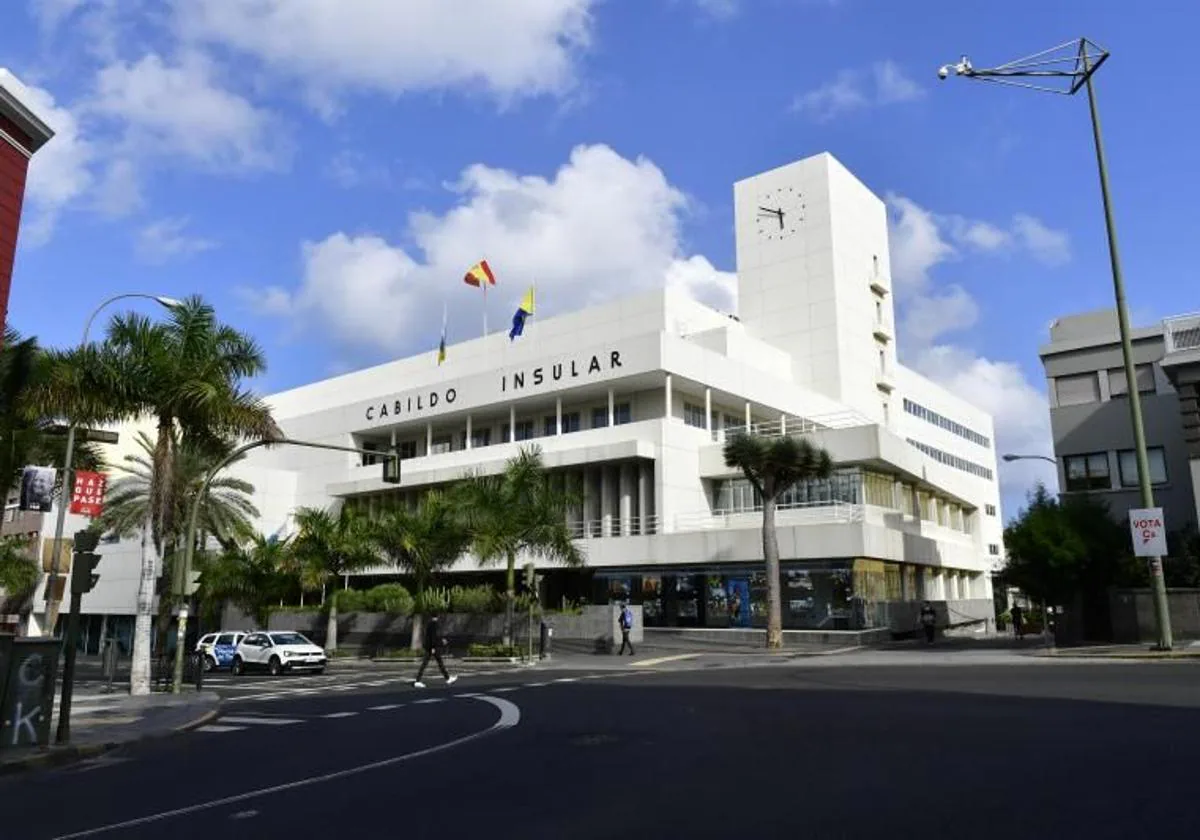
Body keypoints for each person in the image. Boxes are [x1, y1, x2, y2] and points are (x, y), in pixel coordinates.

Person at [413, 612, 457, 688]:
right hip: (433, 647)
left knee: (431, 663)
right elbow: (433, 637)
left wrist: (441, 641)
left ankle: (447, 678)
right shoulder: (434, 624)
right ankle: (418, 681)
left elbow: (431, 637)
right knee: (437, 663)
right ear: (437, 616)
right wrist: (434, 647)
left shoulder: (429, 624)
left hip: (430, 647)